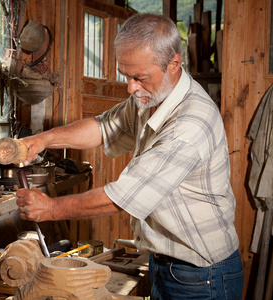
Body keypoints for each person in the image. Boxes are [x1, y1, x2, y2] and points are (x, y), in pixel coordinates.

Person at [16, 13, 244, 300]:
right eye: (126, 75)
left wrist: (49, 210)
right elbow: (103, 127)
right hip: (166, 263)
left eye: (139, 77)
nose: (130, 87)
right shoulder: (151, 96)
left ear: (173, 64)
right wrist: (43, 140)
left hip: (202, 275)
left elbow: (122, 196)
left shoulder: (188, 126)